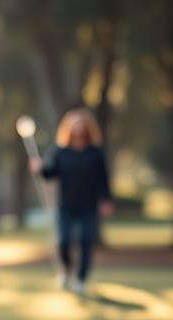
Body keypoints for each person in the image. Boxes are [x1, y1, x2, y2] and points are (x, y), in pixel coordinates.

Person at [29, 107, 113, 296]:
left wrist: (106, 199)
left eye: (81, 123)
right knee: (64, 241)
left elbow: (103, 177)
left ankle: (81, 279)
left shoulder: (95, 152)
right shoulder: (61, 151)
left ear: (87, 127)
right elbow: (49, 173)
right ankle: (66, 271)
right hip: (66, 205)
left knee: (85, 241)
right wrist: (39, 168)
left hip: (89, 205)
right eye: (74, 123)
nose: (77, 127)